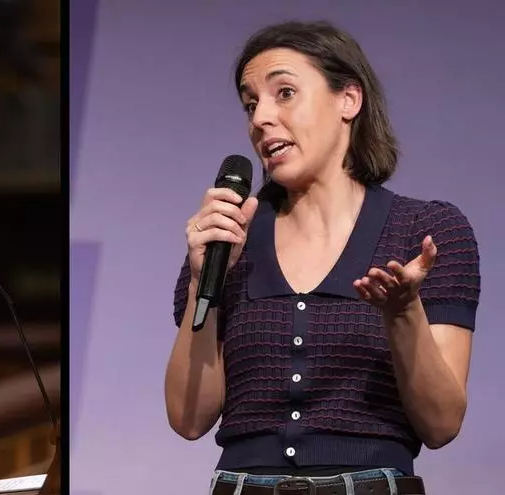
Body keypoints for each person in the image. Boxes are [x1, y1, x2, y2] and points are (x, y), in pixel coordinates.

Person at [165, 20, 479, 495]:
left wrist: (403, 314)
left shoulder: (427, 231)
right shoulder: (229, 240)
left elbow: (441, 425)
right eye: (251, 104)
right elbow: (189, 420)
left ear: (348, 100)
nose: (260, 118)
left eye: (284, 92)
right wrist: (198, 286)